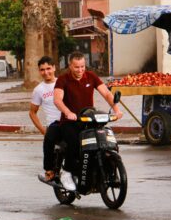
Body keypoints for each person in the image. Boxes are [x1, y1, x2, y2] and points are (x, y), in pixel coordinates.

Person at [54, 53, 123, 191]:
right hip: (70, 122)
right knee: (74, 143)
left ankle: (108, 170)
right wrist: (68, 113)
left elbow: (107, 94)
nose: (80, 70)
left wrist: (117, 109)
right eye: (76, 67)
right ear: (70, 66)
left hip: (89, 119)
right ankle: (66, 172)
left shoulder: (91, 76)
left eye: (82, 67)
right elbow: (57, 100)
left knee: (107, 140)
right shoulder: (63, 79)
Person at [29, 56, 62, 182]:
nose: (46, 72)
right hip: (53, 125)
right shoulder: (39, 90)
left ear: (54, 68)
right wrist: (43, 131)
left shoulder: (63, 83)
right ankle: (49, 170)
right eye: (42, 70)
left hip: (68, 122)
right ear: (39, 71)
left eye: (48, 68)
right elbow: (32, 112)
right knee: (49, 138)